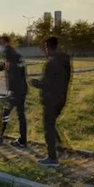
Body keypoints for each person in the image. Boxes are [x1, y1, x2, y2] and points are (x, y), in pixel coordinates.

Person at [29, 36, 72, 166]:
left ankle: (52, 158)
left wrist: (35, 83)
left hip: (50, 99)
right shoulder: (65, 61)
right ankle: (60, 149)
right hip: (62, 97)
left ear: (47, 47)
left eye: (45, 48)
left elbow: (47, 83)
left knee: (48, 127)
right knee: (52, 125)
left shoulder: (51, 63)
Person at [0, 36, 29, 148]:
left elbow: (12, 73)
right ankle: (23, 140)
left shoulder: (9, 54)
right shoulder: (17, 54)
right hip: (23, 88)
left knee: (5, 112)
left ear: (5, 43)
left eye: (0, 43)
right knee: (21, 114)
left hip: (15, 89)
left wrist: (10, 90)